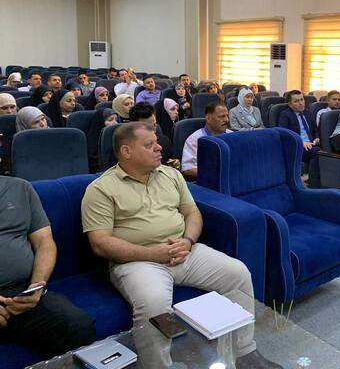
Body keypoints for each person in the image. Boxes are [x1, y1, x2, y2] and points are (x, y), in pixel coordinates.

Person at [81, 123, 280, 369]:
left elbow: (192, 213)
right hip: (138, 262)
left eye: (156, 141)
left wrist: (188, 240)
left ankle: (245, 353)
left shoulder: (170, 175)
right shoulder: (101, 189)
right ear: (126, 151)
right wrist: (153, 253)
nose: (159, 147)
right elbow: (100, 243)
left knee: (238, 273)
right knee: (153, 303)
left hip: (184, 251)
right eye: (149, 145)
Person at [0, 176, 96, 357]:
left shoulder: (21, 188)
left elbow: (44, 242)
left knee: (78, 325)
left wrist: (37, 285)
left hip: (21, 292)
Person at [278, 90, 320, 185]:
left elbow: (315, 130)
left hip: (311, 144)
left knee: (324, 152)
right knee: (317, 152)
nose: (301, 103)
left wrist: (317, 138)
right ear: (290, 104)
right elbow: (284, 135)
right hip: (297, 146)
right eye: (296, 101)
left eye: (302, 99)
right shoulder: (285, 115)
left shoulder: (307, 113)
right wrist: (301, 142)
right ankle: (312, 183)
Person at [181, 102, 231, 179]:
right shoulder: (195, 139)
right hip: (208, 181)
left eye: (227, 116)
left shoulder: (231, 135)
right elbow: (188, 168)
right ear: (208, 118)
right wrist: (214, 175)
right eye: (221, 116)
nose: (226, 120)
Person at [129, 102, 177, 168]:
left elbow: (171, 161)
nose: (153, 130)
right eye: (147, 127)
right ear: (134, 127)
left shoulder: (164, 141)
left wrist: (175, 163)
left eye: (154, 125)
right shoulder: (129, 146)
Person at [86, 108, 118, 172]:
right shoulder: (92, 141)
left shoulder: (118, 137)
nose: (115, 123)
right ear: (101, 122)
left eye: (116, 120)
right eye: (110, 120)